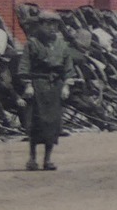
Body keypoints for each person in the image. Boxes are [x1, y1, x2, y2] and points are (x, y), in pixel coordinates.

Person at [18, 10, 78, 171]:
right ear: (41, 25)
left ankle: (48, 159)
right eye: (48, 24)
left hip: (55, 87)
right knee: (36, 124)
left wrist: (66, 85)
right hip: (38, 86)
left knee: (52, 124)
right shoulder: (32, 43)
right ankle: (32, 158)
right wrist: (28, 84)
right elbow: (24, 66)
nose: (52, 28)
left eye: (55, 24)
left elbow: (68, 68)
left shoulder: (62, 45)